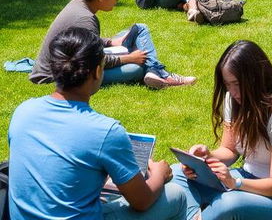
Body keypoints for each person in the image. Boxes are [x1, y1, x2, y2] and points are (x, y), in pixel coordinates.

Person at [10, 28, 188, 220]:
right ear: (97, 71)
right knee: (176, 195)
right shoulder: (105, 131)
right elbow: (142, 201)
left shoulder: (23, 111)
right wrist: (159, 175)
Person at [170, 39, 272, 220]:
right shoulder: (233, 100)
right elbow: (229, 151)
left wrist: (234, 182)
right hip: (248, 177)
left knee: (229, 204)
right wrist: (205, 157)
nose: (232, 91)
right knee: (177, 173)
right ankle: (197, 216)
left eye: (236, 83)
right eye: (227, 84)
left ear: (256, 77)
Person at [31, 0, 195, 88]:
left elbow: (81, 40)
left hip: (73, 62)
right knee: (136, 68)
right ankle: (160, 74)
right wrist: (128, 58)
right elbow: (94, 60)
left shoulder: (78, 5)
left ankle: (154, 72)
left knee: (139, 29)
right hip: (61, 75)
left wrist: (110, 42)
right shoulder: (85, 19)